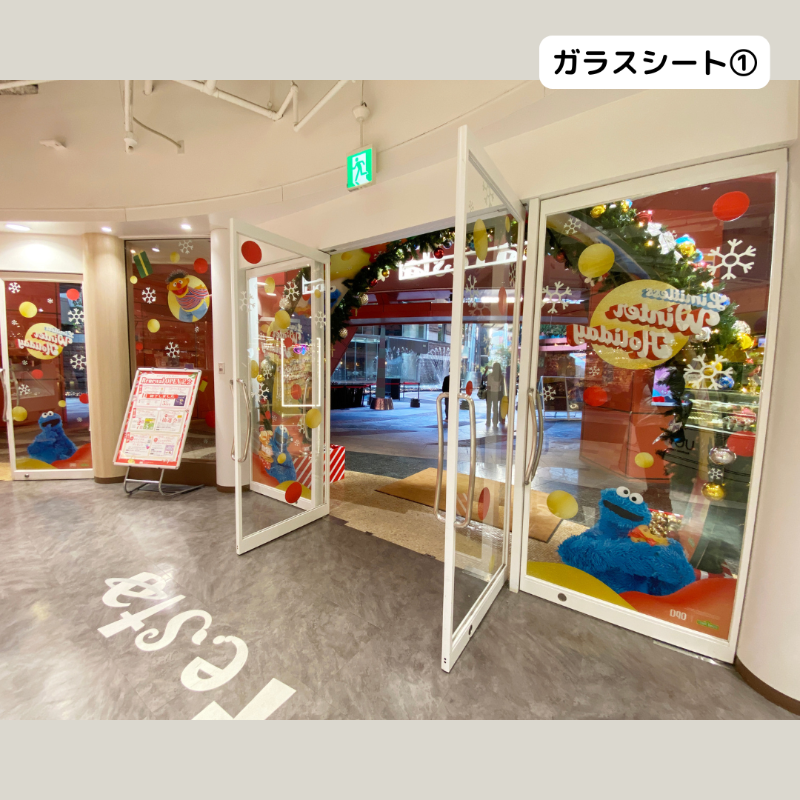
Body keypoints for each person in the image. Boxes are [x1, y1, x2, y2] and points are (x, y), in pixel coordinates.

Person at [486, 362, 505, 428]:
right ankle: (495, 421)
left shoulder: (490, 375)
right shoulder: (501, 377)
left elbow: (488, 386)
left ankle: (488, 421)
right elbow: (502, 386)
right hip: (497, 393)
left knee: (488, 408)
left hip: (490, 393)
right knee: (495, 408)